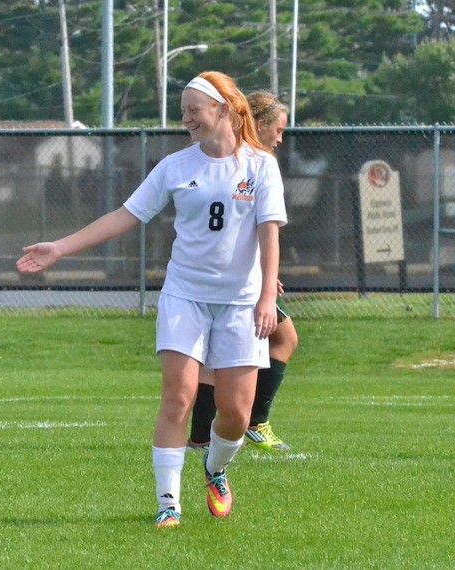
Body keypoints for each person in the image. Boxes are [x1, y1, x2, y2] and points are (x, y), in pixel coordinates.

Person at [16, 72, 287, 523]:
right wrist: (60, 247)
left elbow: (269, 235)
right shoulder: (175, 167)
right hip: (184, 296)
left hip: (240, 303)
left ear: (222, 109)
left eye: (193, 110)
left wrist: (264, 297)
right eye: (182, 112)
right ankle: (168, 505)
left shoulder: (260, 166)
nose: (185, 119)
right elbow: (125, 215)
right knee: (178, 396)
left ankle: (215, 469)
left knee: (236, 414)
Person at [188, 91, 298, 452]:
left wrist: (266, 275)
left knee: (215, 357)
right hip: (226, 284)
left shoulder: (250, 161)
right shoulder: (251, 162)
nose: (280, 139)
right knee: (281, 339)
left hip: (238, 279)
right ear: (261, 125)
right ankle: (250, 423)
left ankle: (204, 435)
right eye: (278, 130)